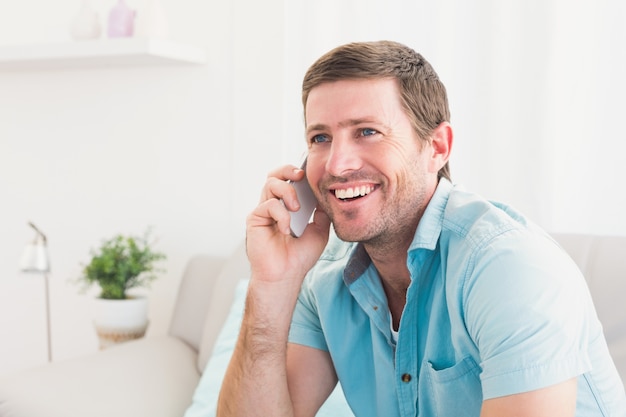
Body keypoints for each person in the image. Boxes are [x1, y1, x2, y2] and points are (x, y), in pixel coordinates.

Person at [217, 40, 626, 417]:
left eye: (367, 132)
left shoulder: (508, 267)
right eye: (320, 137)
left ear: (437, 147)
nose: (338, 164)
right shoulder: (324, 280)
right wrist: (271, 284)